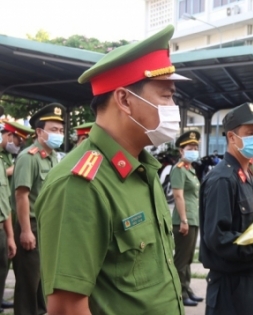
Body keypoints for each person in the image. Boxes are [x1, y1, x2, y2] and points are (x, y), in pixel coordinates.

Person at [35, 25, 189, 315]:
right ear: (124, 100)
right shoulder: (80, 184)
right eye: (166, 96)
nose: (173, 108)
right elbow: (67, 308)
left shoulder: (143, 169)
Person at [199, 102, 253, 315]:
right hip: (229, 287)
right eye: (250, 133)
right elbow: (218, 238)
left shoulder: (246, 175)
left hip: (250, 279)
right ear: (232, 137)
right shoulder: (222, 179)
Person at [12, 103, 66, 315]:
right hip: (32, 225)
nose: (59, 134)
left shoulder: (53, 157)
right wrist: (25, 230)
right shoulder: (29, 157)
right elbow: (21, 195)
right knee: (29, 283)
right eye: (54, 130)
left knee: (45, 281)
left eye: (61, 131)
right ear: (39, 132)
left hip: (49, 226)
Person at [0, 120, 33, 312]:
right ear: (8, 135)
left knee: (4, 266)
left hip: (6, 218)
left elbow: (4, 199)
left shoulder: (9, 156)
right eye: (18, 140)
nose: (18, 145)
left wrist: (10, 235)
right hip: (9, 216)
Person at [171, 130, 203, 307]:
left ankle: (187, 289)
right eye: (191, 147)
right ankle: (180, 293)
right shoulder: (179, 170)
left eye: (196, 147)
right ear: (181, 151)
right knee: (181, 261)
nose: (194, 150)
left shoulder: (190, 169)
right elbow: (178, 196)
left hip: (193, 219)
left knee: (189, 258)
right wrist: (184, 220)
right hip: (184, 221)